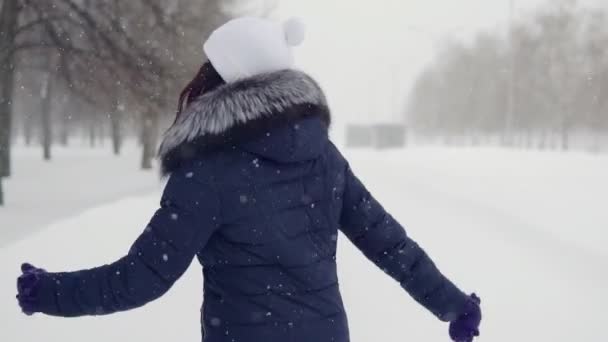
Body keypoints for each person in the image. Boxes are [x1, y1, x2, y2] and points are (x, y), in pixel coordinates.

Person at [16, 17, 481, 342]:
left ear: (220, 80)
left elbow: (142, 278)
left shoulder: (206, 172)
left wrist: (49, 292)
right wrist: (453, 305)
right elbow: (390, 244)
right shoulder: (323, 156)